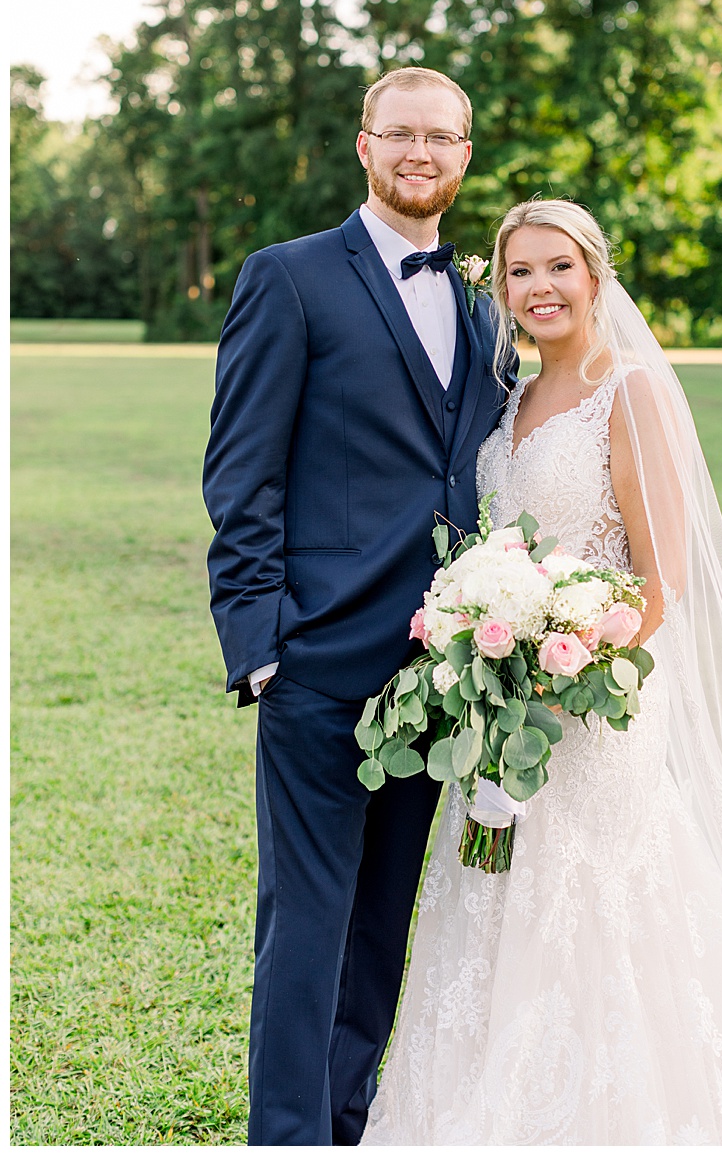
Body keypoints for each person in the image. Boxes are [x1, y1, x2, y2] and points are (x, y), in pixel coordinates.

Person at [361, 199, 722, 1144]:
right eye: (520, 272)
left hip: (595, 712)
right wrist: (486, 649)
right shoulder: (509, 404)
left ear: (595, 276)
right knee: (490, 892)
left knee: (597, 902)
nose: (539, 288)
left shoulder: (632, 393)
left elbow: (663, 577)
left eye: (558, 267)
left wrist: (565, 655)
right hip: (502, 715)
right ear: (504, 290)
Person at [203, 66, 514, 1144]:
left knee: (382, 922)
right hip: (319, 660)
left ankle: (344, 1122)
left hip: (439, 671)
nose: (421, 153)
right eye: (402, 134)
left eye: (443, 137)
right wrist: (260, 645)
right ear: (364, 147)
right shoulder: (288, 279)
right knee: (305, 925)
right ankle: (285, 1135)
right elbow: (241, 476)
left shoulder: (484, 308)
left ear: (465, 155)